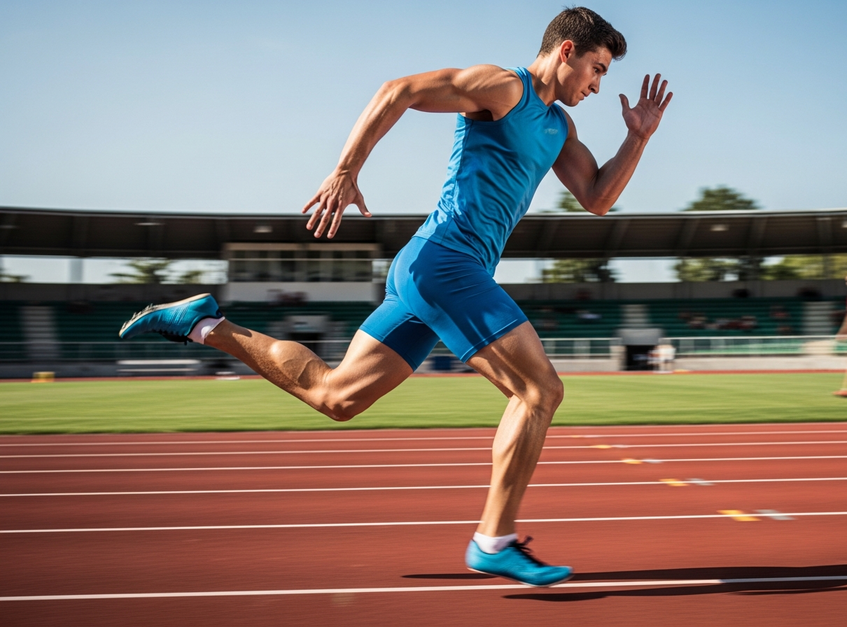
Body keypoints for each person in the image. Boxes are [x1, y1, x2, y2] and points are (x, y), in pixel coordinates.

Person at [119, 7, 672, 587]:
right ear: (566, 51)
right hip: (446, 262)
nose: (598, 85)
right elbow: (398, 91)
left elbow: (597, 198)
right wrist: (345, 170)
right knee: (539, 390)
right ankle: (494, 540)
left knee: (336, 396)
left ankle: (204, 324)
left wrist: (637, 139)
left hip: (434, 273)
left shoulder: (559, 128)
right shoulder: (505, 87)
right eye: (597, 69)